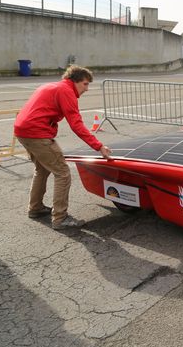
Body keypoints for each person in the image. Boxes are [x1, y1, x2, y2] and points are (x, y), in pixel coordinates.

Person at [14, 65, 112, 230]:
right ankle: (60, 218)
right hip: (37, 133)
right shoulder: (66, 91)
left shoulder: (52, 86)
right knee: (63, 173)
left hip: (22, 130)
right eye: (85, 84)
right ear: (75, 81)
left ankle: (35, 208)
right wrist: (99, 146)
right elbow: (76, 124)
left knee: (42, 169)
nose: (87, 89)